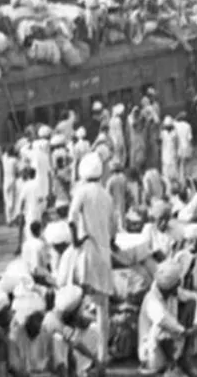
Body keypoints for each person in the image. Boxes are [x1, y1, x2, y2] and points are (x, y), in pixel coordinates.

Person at [67, 152, 116, 363]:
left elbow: (71, 218)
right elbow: (113, 228)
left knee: (80, 300)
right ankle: (102, 354)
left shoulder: (82, 191)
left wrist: (75, 241)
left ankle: (82, 353)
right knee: (102, 308)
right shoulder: (106, 195)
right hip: (105, 255)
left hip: (87, 252)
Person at [137, 259, 197, 377]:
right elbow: (164, 320)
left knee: (191, 304)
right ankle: (171, 366)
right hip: (152, 352)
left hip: (171, 340)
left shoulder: (173, 292)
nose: (179, 284)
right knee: (162, 329)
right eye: (177, 283)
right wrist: (184, 331)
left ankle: (184, 359)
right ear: (168, 287)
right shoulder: (151, 300)